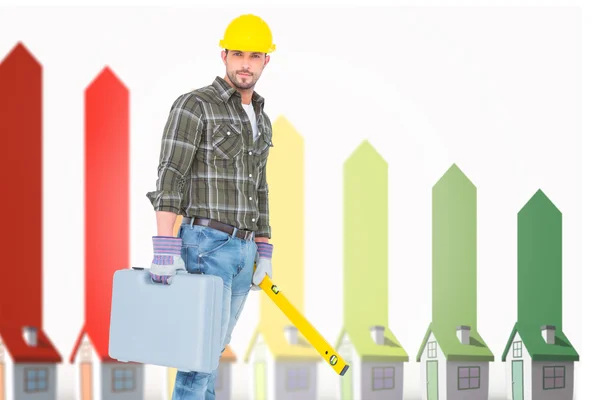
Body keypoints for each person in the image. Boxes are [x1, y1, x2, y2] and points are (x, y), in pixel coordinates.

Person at [145, 13, 276, 399]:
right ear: (223, 55)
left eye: (255, 55)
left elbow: (261, 187)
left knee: (212, 355)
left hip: (244, 250)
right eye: (238, 53)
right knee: (197, 358)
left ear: (267, 59)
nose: (245, 63)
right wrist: (165, 249)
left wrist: (264, 250)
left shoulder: (261, 118)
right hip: (206, 245)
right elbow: (171, 175)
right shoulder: (194, 105)